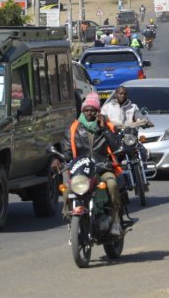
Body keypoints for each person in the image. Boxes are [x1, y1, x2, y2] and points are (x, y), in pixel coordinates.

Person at [63, 93, 123, 236]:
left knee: (112, 184)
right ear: (82, 111)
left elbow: (115, 147)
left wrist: (104, 129)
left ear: (98, 112)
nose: (89, 113)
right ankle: (69, 217)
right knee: (66, 189)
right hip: (81, 170)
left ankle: (115, 220)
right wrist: (59, 160)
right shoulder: (74, 129)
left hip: (102, 167)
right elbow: (67, 151)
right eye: (86, 110)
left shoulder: (107, 127)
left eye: (93, 110)